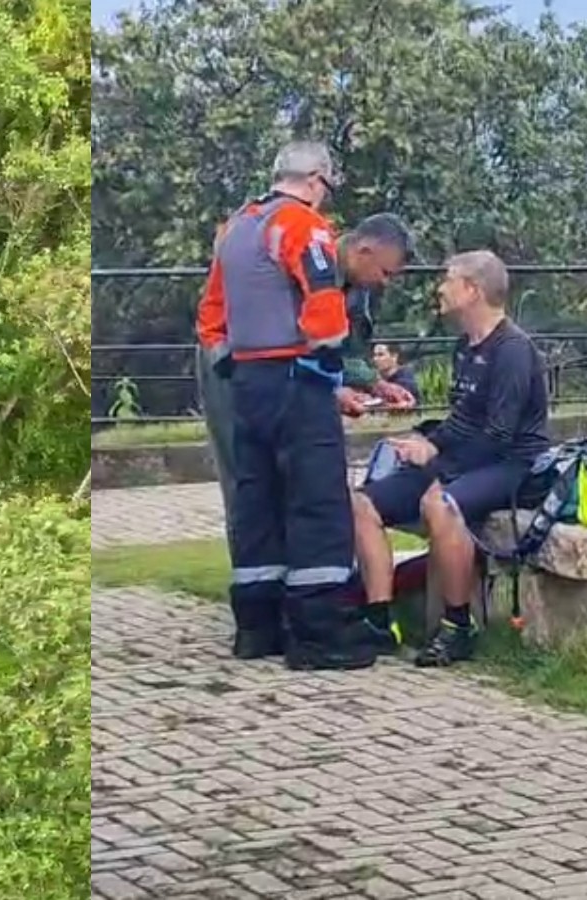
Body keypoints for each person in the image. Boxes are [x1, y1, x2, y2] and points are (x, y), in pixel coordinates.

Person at [210, 140, 416, 670]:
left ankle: (257, 626)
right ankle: (317, 635)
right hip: (295, 385)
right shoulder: (304, 227)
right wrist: (326, 378)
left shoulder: (237, 228)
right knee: (318, 504)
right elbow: (324, 310)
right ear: (316, 179)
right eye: (326, 187)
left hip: (247, 384)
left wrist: (234, 367)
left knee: (258, 500)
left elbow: (211, 314)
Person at [195, 208, 417, 591]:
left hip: (291, 375)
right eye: (386, 273)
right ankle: (264, 590)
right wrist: (331, 390)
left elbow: (341, 347)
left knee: (300, 478)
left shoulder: (355, 290)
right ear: (364, 250)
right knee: (249, 480)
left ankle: (297, 587)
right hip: (238, 367)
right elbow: (290, 341)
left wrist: (374, 384)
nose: (386, 283)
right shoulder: (311, 262)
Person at [351, 250, 550, 665]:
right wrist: (428, 443)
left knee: (439, 504)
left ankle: (458, 627)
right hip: (462, 459)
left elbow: (499, 434)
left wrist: (437, 457)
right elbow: (462, 418)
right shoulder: (465, 345)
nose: (439, 286)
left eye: (448, 278)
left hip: (510, 465)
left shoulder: (513, 350)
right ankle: (378, 621)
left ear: (473, 290)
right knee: (361, 503)